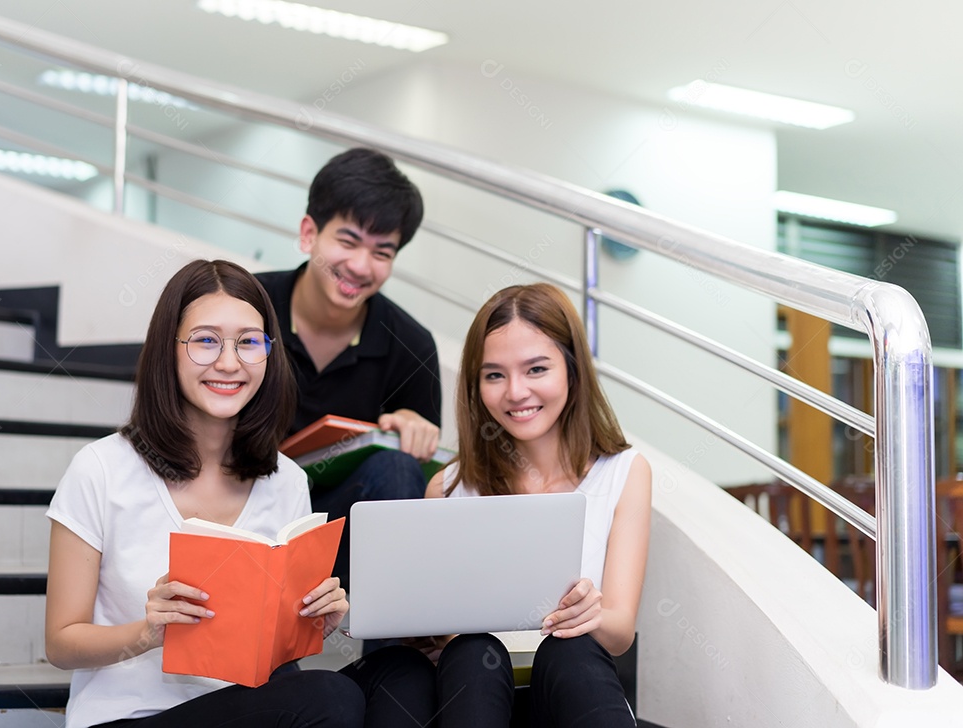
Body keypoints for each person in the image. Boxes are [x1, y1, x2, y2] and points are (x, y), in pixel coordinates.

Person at [45, 259, 435, 728]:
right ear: (168, 349)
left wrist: (316, 624)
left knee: (404, 670)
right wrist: (149, 633)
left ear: (269, 353)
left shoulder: (286, 478)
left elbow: (279, 670)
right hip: (132, 717)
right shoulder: (101, 469)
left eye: (249, 342)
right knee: (329, 696)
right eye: (206, 340)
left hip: (248, 708)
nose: (229, 363)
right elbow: (60, 645)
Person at [423, 283, 652, 727]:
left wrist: (589, 615)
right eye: (494, 375)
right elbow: (442, 631)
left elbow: (620, 632)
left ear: (572, 369)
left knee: (573, 644)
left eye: (536, 369)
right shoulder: (448, 487)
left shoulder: (625, 472)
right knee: (472, 650)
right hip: (479, 696)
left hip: (570, 693)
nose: (515, 392)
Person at [256, 147, 442, 592]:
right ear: (308, 234)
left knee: (398, 469)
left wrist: (414, 433)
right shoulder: (246, 308)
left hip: (335, 520)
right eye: (348, 241)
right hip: (247, 510)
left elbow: (423, 489)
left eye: (382, 251)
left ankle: (397, 652)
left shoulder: (411, 345)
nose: (361, 266)